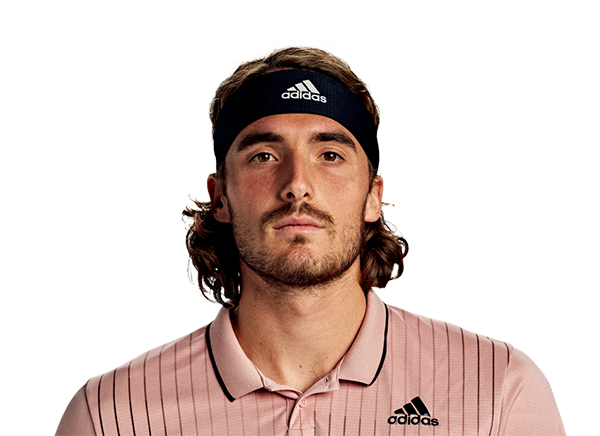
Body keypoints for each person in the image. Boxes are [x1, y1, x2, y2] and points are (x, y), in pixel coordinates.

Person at [56, 46, 565, 436]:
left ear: (373, 197)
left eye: (330, 155)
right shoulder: (112, 414)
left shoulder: (497, 389)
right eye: (263, 155)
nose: (297, 184)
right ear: (220, 197)